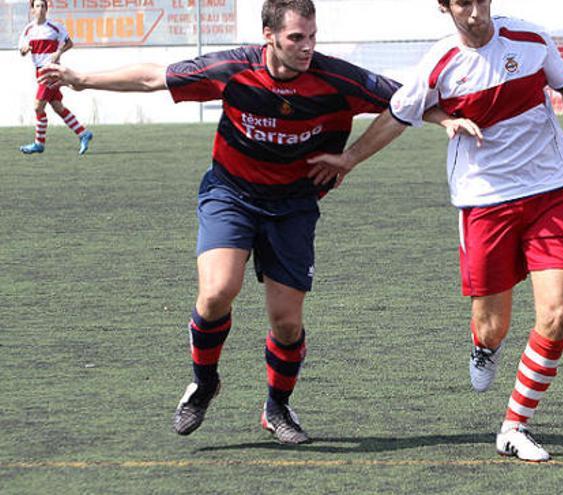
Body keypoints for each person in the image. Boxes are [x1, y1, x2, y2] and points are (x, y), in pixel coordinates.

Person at [38, 0, 401, 445]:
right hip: (231, 194)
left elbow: (407, 102)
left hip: (293, 205)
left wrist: (353, 156)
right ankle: (204, 381)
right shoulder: (232, 68)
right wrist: (82, 79)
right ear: (268, 36)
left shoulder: (336, 78)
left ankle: (277, 408)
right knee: (216, 293)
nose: (307, 47)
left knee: (286, 322)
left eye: (312, 37)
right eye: (295, 38)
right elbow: (155, 77)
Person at [307, 0, 563, 462]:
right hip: (483, 202)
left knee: (556, 314)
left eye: (483, 0)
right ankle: (484, 347)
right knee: (492, 325)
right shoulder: (439, 64)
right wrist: (349, 159)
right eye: (464, 2)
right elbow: (397, 116)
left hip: (550, 191)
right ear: (444, 7)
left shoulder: (532, 39)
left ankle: (514, 426)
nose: (476, 12)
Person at [17, 0, 93, 155]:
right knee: (57, 106)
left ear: (47, 8)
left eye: (43, 6)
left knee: (38, 107)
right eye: (37, 6)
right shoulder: (28, 29)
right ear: (32, 10)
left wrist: (59, 52)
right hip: (39, 71)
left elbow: (69, 43)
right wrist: (24, 50)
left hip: (51, 71)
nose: (41, 9)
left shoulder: (54, 27)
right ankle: (83, 133)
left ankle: (39, 143)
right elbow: (22, 50)